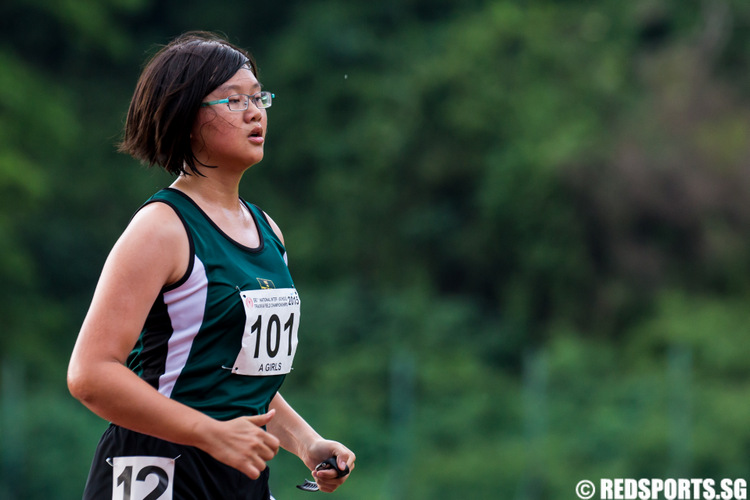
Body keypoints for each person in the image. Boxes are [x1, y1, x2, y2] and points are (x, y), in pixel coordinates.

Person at [67, 31, 355, 499]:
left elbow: (233, 378)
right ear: (186, 118)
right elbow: (91, 374)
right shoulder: (161, 228)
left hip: (237, 475)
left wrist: (307, 443)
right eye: (233, 100)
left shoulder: (269, 233)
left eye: (259, 97)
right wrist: (209, 432)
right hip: (155, 470)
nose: (255, 111)